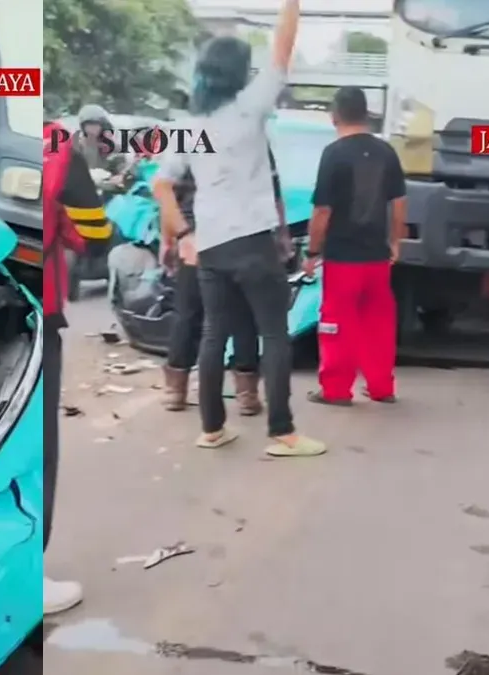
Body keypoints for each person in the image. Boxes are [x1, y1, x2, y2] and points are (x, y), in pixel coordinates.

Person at [153, 0, 325, 456]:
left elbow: (162, 185)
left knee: (214, 333)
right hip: (252, 241)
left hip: (210, 244)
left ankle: (212, 428)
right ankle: (282, 433)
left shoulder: (189, 126)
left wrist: (184, 236)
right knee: (273, 333)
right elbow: (283, 47)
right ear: (238, 72)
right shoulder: (250, 108)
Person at [159, 145, 291, 415]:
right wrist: (281, 234)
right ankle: (247, 394)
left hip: (197, 237)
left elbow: (169, 196)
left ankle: (176, 391)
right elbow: (272, 195)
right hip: (244, 239)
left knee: (190, 313)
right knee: (242, 314)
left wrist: (169, 239)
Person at [302, 86, 407, 405]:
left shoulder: (334, 153)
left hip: (343, 258)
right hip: (377, 256)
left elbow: (322, 210)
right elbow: (399, 202)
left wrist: (312, 251)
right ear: (366, 114)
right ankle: (381, 387)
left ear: (335, 116)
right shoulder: (386, 152)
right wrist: (395, 242)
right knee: (378, 323)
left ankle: (335, 390)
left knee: (337, 322)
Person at [41, 121, 97, 615]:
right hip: (32, 310)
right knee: (32, 449)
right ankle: (23, 573)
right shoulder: (56, 145)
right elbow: (93, 234)